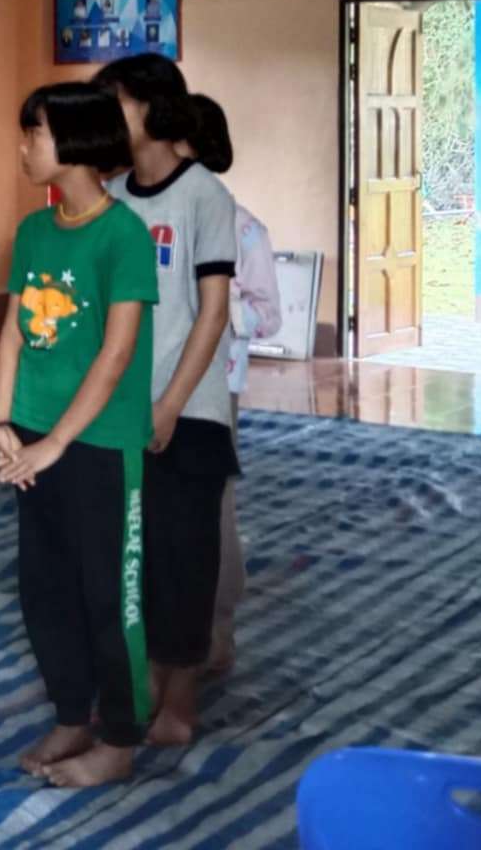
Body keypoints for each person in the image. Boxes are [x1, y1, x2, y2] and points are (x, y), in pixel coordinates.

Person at [0, 83, 157, 789]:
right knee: (44, 586)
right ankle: (70, 712)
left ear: (78, 143)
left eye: (34, 132)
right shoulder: (33, 232)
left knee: (106, 592)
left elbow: (115, 355)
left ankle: (120, 738)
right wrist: (3, 419)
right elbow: (12, 332)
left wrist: (56, 442)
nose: (23, 145)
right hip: (30, 439)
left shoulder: (124, 236)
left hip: (96, 445)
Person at [95, 54, 236, 748]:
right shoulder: (113, 197)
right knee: (132, 556)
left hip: (190, 412)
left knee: (185, 557)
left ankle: (180, 697)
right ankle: (143, 677)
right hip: (122, 410)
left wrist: (172, 403)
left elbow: (210, 313)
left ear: (152, 108)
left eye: (115, 104)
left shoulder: (205, 197)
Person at [185, 94, 281, 675]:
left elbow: (268, 316)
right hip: (150, 386)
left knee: (212, 505)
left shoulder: (243, 230)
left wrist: (221, 312)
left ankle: (218, 628)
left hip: (214, 390)